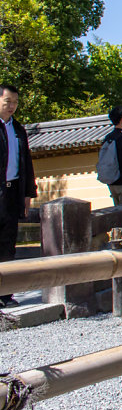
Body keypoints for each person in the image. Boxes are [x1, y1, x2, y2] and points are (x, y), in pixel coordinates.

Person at [0, 84, 36, 308]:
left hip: (13, 190)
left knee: (8, 241)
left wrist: (28, 193)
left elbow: (26, 162)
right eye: (7, 102)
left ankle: (5, 293)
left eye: (15, 102)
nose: (12, 106)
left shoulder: (18, 129)